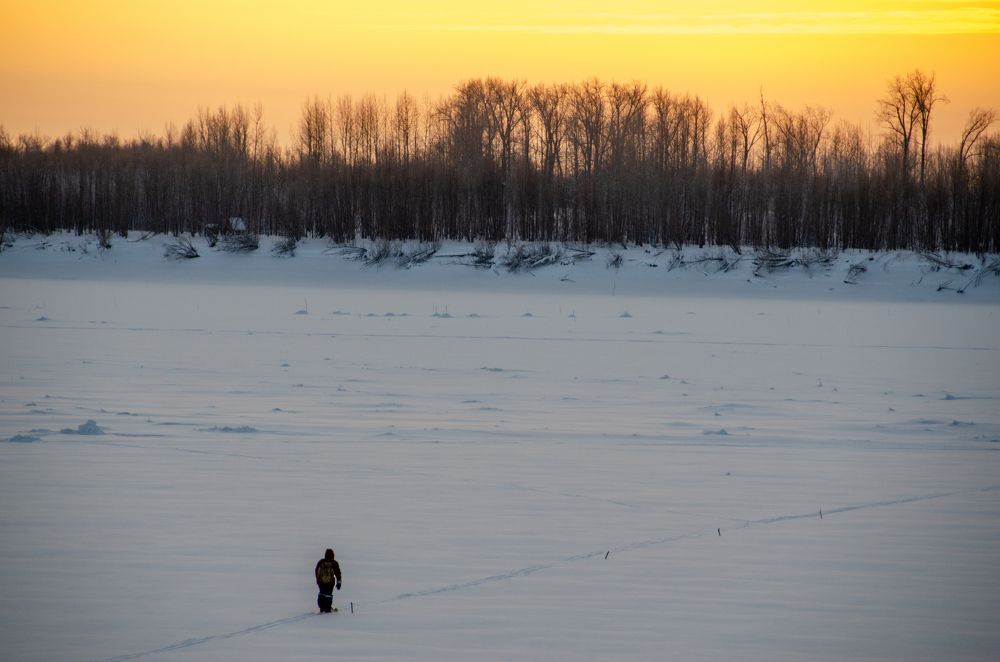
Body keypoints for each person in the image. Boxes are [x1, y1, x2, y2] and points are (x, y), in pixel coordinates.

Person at [315, 548, 342, 613]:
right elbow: (338, 573)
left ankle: (322, 608)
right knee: (328, 594)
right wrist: (339, 582)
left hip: (321, 581)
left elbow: (316, 570)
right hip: (330, 582)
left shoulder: (321, 561)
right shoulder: (334, 563)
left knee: (322, 593)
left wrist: (318, 580)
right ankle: (327, 608)